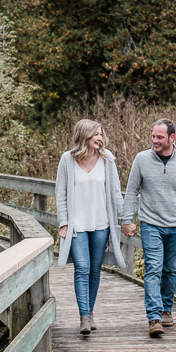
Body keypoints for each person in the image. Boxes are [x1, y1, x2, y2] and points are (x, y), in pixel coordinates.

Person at [122, 118, 176, 337]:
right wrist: (127, 220)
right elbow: (132, 190)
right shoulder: (142, 159)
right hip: (151, 224)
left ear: (171, 138)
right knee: (153, 267)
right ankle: (153, 317)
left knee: (170, 269)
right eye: (153, 136)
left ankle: (166, 310)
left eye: (159, 137)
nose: (154, 140)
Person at [55, 119, 129, 335]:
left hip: (101, 224)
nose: (99, 138)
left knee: (95, 270)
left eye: (100, 134)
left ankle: (90, 311)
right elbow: (61, 193)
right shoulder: (67, 160)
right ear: (84, 136)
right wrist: (64, 223)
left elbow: (116, 193)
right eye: (95, 134)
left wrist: (125, 220)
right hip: (77, 225)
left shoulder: (108, 160)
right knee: (82, 268)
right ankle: (84, 316)